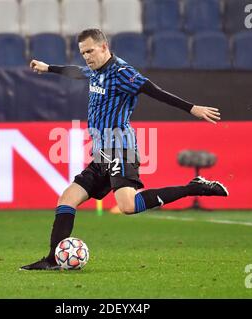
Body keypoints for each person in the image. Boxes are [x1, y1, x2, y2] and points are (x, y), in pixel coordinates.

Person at [20, 29, 228, 270]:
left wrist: (191, 108)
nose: (86, 56)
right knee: (67, 199)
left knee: (127, 206)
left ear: (104, 47)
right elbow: (78, 72)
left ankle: (193, 187)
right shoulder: (95, 71)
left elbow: (153, 90)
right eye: (83, 52)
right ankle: (53, 260)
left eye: (90, 50)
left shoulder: (122, 73)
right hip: (101, 153)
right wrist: (49, 68)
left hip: (121, 149)